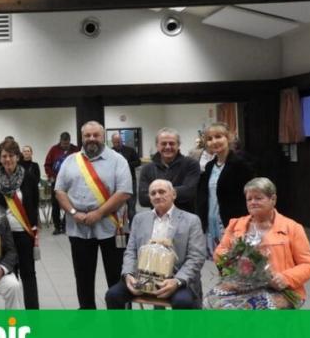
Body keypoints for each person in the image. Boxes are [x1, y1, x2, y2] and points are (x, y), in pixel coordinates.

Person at [205, 177, 310, 309]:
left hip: (280, 289)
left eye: (258, 198)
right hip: (241, 284)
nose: (253, 202)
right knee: (210, 300)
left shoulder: (292, 228)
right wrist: (233, 261)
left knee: (249, 310)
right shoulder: (236, 224)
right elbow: (219, 252)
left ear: (273, 199)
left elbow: (309, 265)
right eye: (249, 199)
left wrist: (285, 278)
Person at [55, 121, 132, 309]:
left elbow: (124, 192)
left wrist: (98, 213)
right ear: (82, 138)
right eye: (87, 136)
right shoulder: (70, 161)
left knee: (116, 277)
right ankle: (87, 314)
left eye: (96, 135)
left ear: (103, 137)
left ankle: (119, 318)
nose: (91, 139)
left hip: (112, 228)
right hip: (78, 227)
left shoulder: (117, 160)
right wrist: (74, 213)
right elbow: (59, 190)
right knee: (83, 276)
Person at [105, 179, 206, 309]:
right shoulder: (139, 219)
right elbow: (130, 251)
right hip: (142, 278)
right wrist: (128, 274)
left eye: (162, 192)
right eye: (153, 193)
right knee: (113, 295)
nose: (157, 196)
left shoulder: (191, 220)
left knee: (183, 302)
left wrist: (177, 281)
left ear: (173, 194)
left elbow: (196, 257)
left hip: (175, 278)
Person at [0, 139, 40, 309]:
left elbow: (34, 203)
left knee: (28, 275)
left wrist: (35, 231)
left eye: (11, 155)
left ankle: (33, 317)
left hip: (24, 233)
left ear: (18, 157)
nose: (7, 159)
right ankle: (14, 316)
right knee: (10, 277)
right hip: (4, 237)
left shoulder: (29, 177)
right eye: (4, 156)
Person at [196, 122, 255, 258]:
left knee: (237, 266)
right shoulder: (210, 167)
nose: (214, 141)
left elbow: (250, 196)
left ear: (228, 138)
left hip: (234, 224)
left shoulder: (242, 164)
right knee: (221, 264)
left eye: (218, 136)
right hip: (212, 224)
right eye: (209, 139)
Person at [138, 127, 200, 214]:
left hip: (185, 219)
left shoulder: (191, 164)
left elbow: (189, 192)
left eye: (172, 143)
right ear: (157, 145)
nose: (168, 147)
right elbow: (143, 199)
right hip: (157, 220)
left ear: (178, 145)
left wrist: (155, 194)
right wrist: (175, 193)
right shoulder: (147, 169)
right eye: (163, 143)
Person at [44, 131, 79, 235]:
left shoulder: (75, 149)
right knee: (55, 205)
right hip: (56, 181)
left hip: (71, 182)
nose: (65, 146)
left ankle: (65, 225)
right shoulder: (53, 150)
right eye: (63, 144)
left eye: (67, 144)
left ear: (69, 141)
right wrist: (51, 176)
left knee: (70, 204)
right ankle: (57, 227)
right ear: (60, 141)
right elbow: (47, 164)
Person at [111, 133, 141, 222]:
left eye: (119, 142)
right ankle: (120, 229)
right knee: (117, 207)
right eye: (115, 142)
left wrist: (126, 165)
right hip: (116, 183)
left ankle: (133, 226)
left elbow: (138, 162)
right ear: (112, 142)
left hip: (131, 181)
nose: (118, 144)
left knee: (131, 206)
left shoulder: (130, 150)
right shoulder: (110, 153)